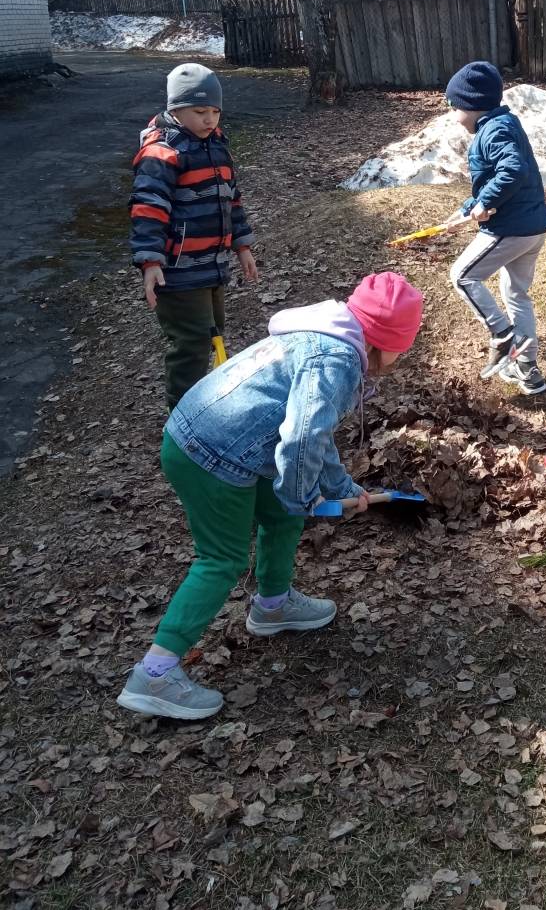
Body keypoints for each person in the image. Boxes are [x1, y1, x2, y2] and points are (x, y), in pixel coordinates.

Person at [117, 271, 424, 720]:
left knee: (281, 515)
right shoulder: (336, 361)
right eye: (406, 344)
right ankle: (155, 674)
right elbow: (301, 441)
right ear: (387, 338)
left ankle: (273, 606)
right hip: (210, 453)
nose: (403, 355)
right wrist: (305, 496)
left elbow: (313, 435)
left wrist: (341, 489)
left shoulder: (329, 332)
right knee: (221, 559)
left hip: (218, 435)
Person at [129, 63, 258, 410]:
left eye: (215, 112)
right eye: (200, 112)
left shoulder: (216, 145)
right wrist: (151, 261)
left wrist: (242, 245)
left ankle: (207, 405)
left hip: (212, 265)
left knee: (214, 332)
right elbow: (147, 208)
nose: (210, 120)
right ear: (176, 110)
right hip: (179, 270)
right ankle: (183, 417)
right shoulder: (162, 152)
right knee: (193, 342)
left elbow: (232, 198)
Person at [444, 61, 546, 396]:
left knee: (463, 275)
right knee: (516, 293)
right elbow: (495, 181)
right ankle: (528, 369)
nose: (453, 115)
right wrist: (467, 207)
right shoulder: (503, 124)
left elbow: (512, 170)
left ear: (472, 105)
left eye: (454, 107)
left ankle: (502, 335)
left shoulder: (494, 131)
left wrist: (484, 201)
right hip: (532, 226)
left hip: (512, 228)